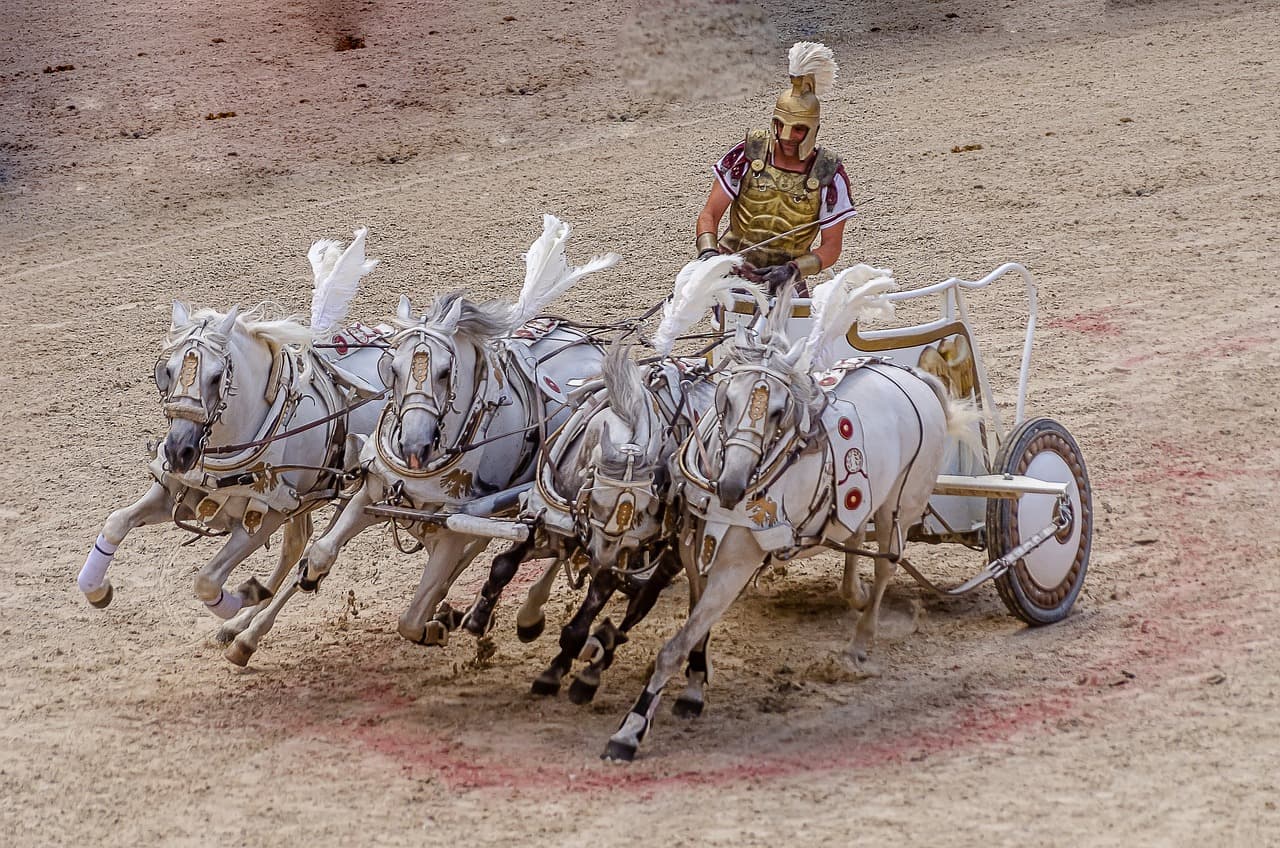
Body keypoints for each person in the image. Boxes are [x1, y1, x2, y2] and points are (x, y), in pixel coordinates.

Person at [695, 42, 855, 296]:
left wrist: (794, 269)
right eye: (781, 125)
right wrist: (708, 251)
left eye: (799, 128)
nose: (787, 136)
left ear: (813, 129)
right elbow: (710, 214)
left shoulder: (828, 174)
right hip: (732, 276)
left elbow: (832, 247)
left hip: (784, 281)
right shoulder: (748, 154)